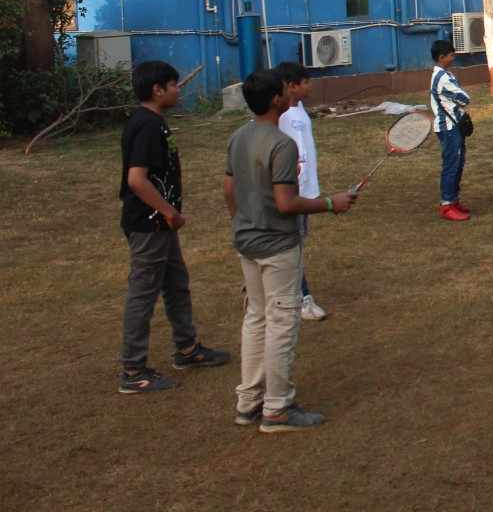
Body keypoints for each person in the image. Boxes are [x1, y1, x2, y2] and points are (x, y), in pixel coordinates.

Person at [224, 69, 355, 431]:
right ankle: (277, 408)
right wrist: (332, 203)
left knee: (256, 318)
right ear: (276, 100)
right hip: (277, 245)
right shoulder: (282, 144)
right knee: (282, 323)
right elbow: (286, 203)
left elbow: (229, 189)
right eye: (284, 90)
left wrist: (241, 222)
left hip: (246, 242)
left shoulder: (238, 137)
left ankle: (248, 401)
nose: (290, 93)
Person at [117, 60, 230, 394]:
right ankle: (133, 370)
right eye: (175, 85)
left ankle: (187, 349)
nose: (179, 90)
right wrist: (169, 212)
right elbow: (136, 180)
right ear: (158, 89)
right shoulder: (147, 125)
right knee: (143, 294)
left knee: (177, 284)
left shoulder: (153, 122)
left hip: (161, 225)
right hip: (149, 225)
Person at [275, 62, 327, 322]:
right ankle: (301, 298)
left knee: (297, 243)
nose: (310, 86)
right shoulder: (280, 115)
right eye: (305, 82)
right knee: (292, 245)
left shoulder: (299, 109)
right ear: (291, 86)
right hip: (292, 192)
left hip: (306, 190)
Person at [430, 39, 472, 222]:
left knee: (458, 162)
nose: (453, 58)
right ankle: (447, 204)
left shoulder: (444, 75)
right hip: (448, 128)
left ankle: (453, 200)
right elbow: (464, 98)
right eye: (451, 55)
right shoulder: (443, 78)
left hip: (452, 126)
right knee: (452, 164)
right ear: (441, 57)